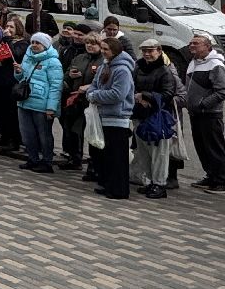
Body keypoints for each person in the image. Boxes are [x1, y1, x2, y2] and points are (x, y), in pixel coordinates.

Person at [86, 36, 136, 200]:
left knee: (117, 157)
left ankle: (119, 189)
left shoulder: (122, 70)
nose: (103, 52)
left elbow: (118, 94)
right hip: (102, 116)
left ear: (115, 51)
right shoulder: (104, 66)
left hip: (117, 117)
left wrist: (95, 95)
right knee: (106, 155)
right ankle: (108, 184)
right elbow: (93, 84)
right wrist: (92, 93)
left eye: (106, 49)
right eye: (102, 48)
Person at [131, 38, 181, 199]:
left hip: (158, 117)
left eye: (151, 50)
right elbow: (131, 86)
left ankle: (159, 184)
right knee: (144, 151)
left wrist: (146, 96)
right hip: (139, 114)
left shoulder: (165, 70)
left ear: (159, 51)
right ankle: (149, 182)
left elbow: (168, 94)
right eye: (144, 50)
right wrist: (137, 98)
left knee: (159, 153)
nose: (147, 54)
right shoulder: (138, 67)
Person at [183, 32, 225, 193]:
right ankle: (210, 175)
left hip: (210, 114)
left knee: (214, 147)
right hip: (196, 114)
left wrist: (203, 104)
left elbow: (222, 92)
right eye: (191, 43)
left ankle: (221, 181)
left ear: (207, 46)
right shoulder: (194, 62)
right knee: (202, 147)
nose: (192, 46)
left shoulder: (216, 65)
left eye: (196, 43)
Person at [15, 33, 63, 174]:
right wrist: (18, 72)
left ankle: (47, 161)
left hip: (42, 105)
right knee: (27, 134)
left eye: (38, 43)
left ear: (45, 45)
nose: (34, 45)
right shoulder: (28, 56)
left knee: (44, 134)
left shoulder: (53, 62)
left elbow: (56, 86)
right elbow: (22, 78)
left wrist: (51, 107)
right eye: (33, 42)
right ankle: (32, 158)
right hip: (25, 101)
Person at [58, 32, 105, 173]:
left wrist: (89, 86)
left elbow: (103, 81)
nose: (90, 46)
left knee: (89, 132)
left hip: (91, 103)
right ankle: (74, 158)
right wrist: (70, 76)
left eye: (93, 43)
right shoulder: (79, 58)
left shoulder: (103, 61)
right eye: (88, 43)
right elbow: (67, 74)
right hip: (74, 100)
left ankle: (93, 163)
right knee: (71, 130)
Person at [0, 17, 26, 154]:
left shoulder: (22, 43)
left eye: (12, 27)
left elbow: (14, 54)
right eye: (7, 26)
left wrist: (7, 40)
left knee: (10, 113)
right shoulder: (4, 42)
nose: (8, 29)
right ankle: (3, 135)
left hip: (11, 82)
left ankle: (13, 141)